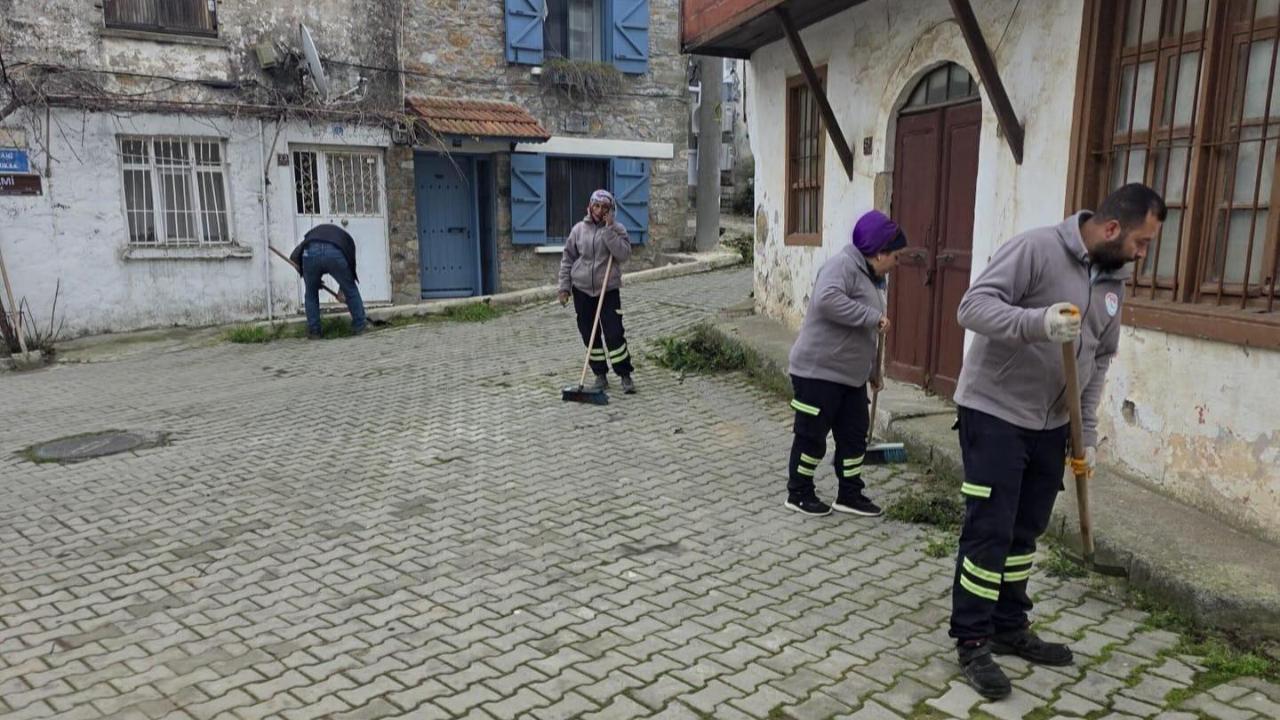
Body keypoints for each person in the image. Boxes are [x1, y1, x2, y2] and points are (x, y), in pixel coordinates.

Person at [948, 183, 1165, 700]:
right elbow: (972, 308)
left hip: (1051, 425)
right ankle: (973, 639)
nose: (1141, 255)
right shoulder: (1036, 249)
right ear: (1112, 229)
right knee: (990, 531)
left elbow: (1099, 358)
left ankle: (1007, 623)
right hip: (994, 411)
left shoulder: (1113, 283)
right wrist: (1037, 323)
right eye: (1141, 243)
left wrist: (1082, 434)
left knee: (1026, 530)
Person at [784, 210, 907, 518]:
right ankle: (799, 492)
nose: (898, 263)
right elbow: (826, 300)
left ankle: (849, 494)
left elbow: (866, 334)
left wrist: (872, 373)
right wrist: (872, 317)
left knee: (854, 436)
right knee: (812, 436)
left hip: (849, 377)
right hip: (818, 371)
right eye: (896, 256)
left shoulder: (875, 278)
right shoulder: (842, 267)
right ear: (880, 253)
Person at [558, 189, 636, 394]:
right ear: (590, 207)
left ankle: (625, 374)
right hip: (582, 289)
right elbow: (567, 259)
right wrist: (564, 287)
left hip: (607, 289)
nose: (600, 211)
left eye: (605, 208)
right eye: (597, 206)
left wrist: (609, 230)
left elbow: (623, 254)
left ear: (611, 210)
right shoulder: (578, 230)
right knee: (589, 334)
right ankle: (600, 375)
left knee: (614, 333)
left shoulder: (618, 230)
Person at [290, 223, 366, 340]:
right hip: (335, 253)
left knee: (310, 294)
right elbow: (350, 270)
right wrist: (343, 289)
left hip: (310, 253)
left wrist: (310, 279)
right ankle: (360, 325)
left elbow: (294, 259)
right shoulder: (347, 241)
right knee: (350, 289)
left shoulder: (311, 236)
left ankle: (314, 331)